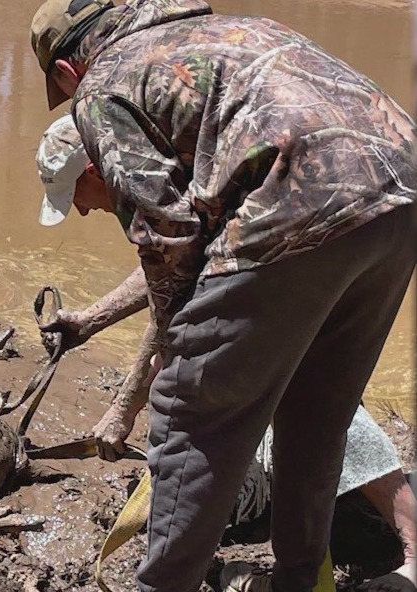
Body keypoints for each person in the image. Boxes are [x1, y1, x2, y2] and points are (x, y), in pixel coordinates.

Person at [27, 0, 417, 589]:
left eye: (63, 88)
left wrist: (177, 365)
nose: (81, 211)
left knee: (189, 413)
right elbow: (205, 244)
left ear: (66, 70)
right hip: (398, 191)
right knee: (317, 414)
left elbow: (167, 237)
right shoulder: (229, 31)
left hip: (294, 203)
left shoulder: (105, 83)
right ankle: (302, 582)